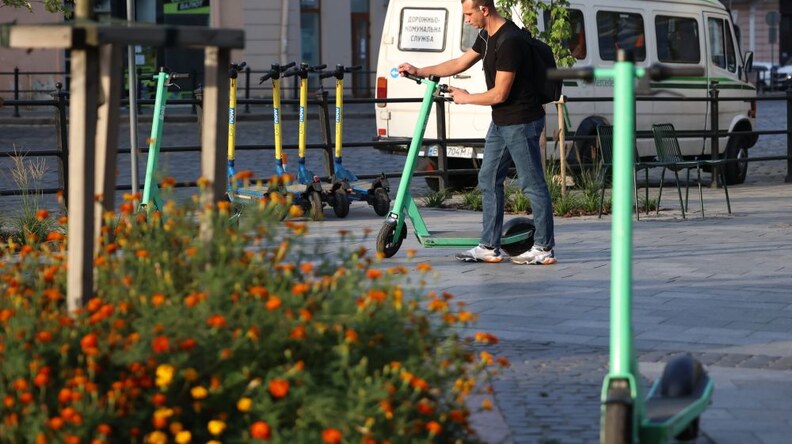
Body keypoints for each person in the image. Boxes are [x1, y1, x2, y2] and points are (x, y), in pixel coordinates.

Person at [398, 0, 556, 265]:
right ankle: (488, 246)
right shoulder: (487, 36)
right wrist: (420, 70)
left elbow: (500, 93)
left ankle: (543, 248)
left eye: (469, 13)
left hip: (522, 121)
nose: (466, 19)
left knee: (532, 183)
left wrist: (466, 98)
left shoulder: (510, 41)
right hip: (502, 121)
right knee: (488, 178)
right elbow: (459, 63)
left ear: (484, 9)